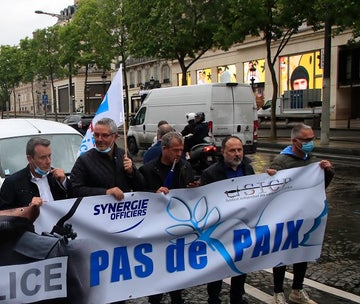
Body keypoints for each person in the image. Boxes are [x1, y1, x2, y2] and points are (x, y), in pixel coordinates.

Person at [267, 123, 334, 304]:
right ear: (294, 141)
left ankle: (297, 289)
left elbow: (320, 188)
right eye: (305, 140)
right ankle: (278, 292)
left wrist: (328, 171)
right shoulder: (281, 162)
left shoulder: (313, 160)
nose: (309, 142)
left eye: (312, 139)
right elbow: (271, 192)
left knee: (302, 253)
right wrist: (271, 177)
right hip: (285, 217)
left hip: (305, 216)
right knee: (282, 254)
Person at [139, 132, 198, 304]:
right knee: (158, 270)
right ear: (164, 149)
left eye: (181, 150)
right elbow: (140, 195)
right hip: (157, 229)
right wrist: (154, 194)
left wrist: (194, 187)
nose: (179, 154)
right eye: (175, 150)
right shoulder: (148, 170)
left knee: (177, 271)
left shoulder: (185, 167)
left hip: (179, 227)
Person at [201, 136, 255, 304]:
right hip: (220, 229)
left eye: (239, 150)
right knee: (217, 265)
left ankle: (237, 297)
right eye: (232, 150)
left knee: (241, 263)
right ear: (223, 152)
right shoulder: (210, 174)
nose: (237, 154)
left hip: (241, 228)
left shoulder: (248, 169)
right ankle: (214, 297)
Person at [70, 117, 144, 201]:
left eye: (104, 135)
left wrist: (132, 172)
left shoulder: (124, 156)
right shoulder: (84, 160)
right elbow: (74, 190)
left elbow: (141, 187)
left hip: (121, 211)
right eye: (96, 135)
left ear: (115, 137)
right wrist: (105, 192)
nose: (99, 139)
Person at [0, 137, 69, 210]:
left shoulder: (56, 177)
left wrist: (64, 182)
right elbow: (6, 214)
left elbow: (75, 201)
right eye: (43, 157)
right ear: (30, 159)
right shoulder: (12, 183)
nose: (48, 161)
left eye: (49, 156)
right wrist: (29, 208)